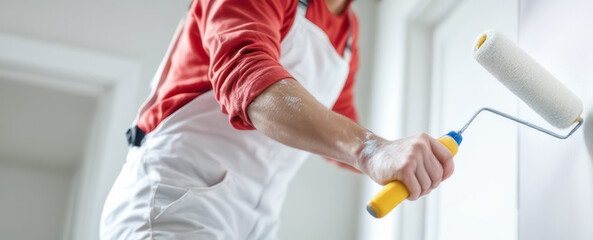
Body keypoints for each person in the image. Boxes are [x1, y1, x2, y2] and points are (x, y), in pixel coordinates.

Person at [99, 0, 454, 238]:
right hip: (175, 200)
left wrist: (403, 154)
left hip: (254, 224)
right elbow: (246, 75)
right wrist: (372, 150)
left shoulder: (347, 30)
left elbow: (337, 123)